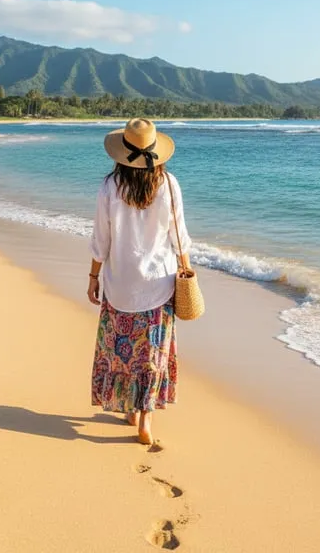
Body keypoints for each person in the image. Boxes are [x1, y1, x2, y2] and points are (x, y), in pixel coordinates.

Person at [88, 118, 191, 445]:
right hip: (158, 283)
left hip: (120, 283)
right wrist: (186, 271)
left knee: (121, 350)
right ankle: (145, 418)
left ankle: (129, 407)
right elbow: (179, 236)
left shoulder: (109, 186)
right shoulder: (169, 184)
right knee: (153, 352)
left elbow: (101, 240)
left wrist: (93, 276)